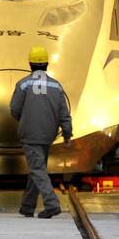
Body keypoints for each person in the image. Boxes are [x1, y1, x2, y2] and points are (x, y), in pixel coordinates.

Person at [10, 45, 72, 218]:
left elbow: (14, 109)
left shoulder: (23, 84)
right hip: (48, 135)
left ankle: (52, 204)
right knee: (37, 168)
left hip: (30, 134)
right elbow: (64, 114)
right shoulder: (56, 86)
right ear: (47, 64)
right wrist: (67, 134)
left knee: (37, 169)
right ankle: (27, 206)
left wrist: (26, 119)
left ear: (30, 64)